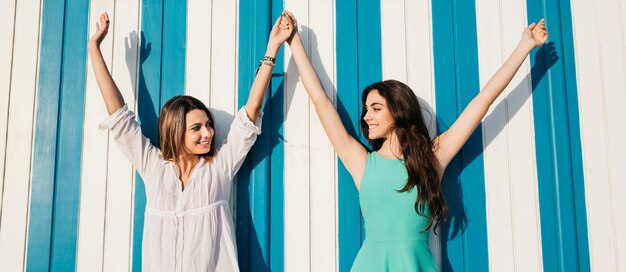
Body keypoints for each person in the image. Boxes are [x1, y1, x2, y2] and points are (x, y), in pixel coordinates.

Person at [280, 11, 548, 271]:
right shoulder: (362, 162)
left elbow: (483, 101)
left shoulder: (431, 159)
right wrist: (294, 42)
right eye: (366, 109)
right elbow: (320, 100)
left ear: (398, 111)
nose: (366, 116)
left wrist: (525, 46)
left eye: (375, 108)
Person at [88, 12, 293, 271]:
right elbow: (118, 115)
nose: (207, 133)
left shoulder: (219, 167)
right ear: (176, 131)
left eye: (208, 125)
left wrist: (272, 47)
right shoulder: (153, 167)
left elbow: (251, 110)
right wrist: (94, 48)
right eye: (196, 128)